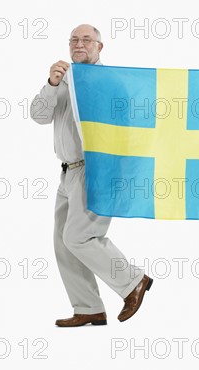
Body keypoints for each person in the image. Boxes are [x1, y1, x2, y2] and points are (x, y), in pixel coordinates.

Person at [30, 24, 153, 327]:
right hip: (67, 173)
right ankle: (88, 308)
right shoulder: (64, 80)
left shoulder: (110, 82)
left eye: (87, 39)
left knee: (79, 236)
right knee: (63, 241)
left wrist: (117, 172)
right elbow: (39, 116)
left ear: (100, 47)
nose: (79, 44)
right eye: (73, 39)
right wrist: (51, 83)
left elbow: (127, 128)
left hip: (96, 169)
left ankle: (132, 281)